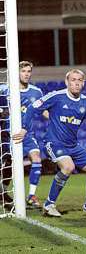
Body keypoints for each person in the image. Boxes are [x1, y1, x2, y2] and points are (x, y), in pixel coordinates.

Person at [12, 69, 86, 217]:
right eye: (73, 80)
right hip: (53, 143)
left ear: (83, 83)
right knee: (68, 167)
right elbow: (32, 108)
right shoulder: (56, 97)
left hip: (73, 145)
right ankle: (49, 205)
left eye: (79, 80)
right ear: (67, 82)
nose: (76, 83)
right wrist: (24, 129)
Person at [0, 61, 47, 208]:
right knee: (8, 164)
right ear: (16, 73)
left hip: (27, 134)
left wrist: (56, 119)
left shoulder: (36, 92)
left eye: (28, 71)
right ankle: (3, 192)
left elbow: (44, 110)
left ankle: (32, 196)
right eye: (23, 71)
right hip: (6, 134)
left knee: (36, 158)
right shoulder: (3, 90)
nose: (26, 74)